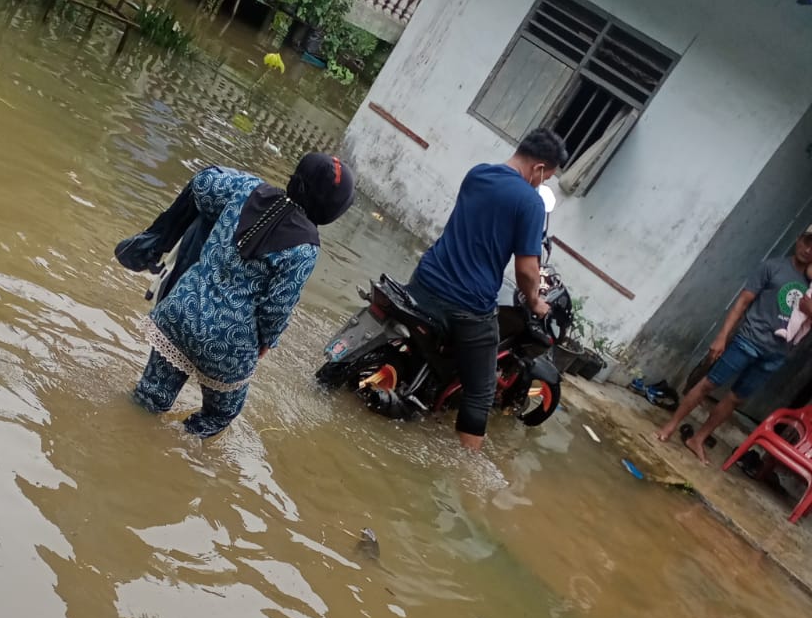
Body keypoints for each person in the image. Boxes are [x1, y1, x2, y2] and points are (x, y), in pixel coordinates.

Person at [132, 153, 355, 437]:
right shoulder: (306, 247)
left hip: (180, 309)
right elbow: (276, 308)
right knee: (219, 414)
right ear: (333, 210)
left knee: (149, 398)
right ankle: (176, 451)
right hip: (228, 343)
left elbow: (203, 183)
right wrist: (266, 343)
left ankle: (129, 436)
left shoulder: (248, 188)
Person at [408, 128, 568, 450]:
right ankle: (468, 469)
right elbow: (526, 270)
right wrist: (535, 301)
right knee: (480, 390)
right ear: (539, 168)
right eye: (547, 177)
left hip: (423, 281)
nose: (543, 183)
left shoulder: (477, 173)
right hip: (466, 302)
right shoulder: (531, 203)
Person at [658, 232, 812, 463]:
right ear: (799, 240)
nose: (808, 250)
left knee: (736, 399)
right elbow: (743, 301)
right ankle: (670, 426)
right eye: (807, 243)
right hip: (749, 340)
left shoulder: (810, 283)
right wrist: (722, 336)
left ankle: (698, 439)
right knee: (708, 384)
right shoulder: (773, 267)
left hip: (776, 355)